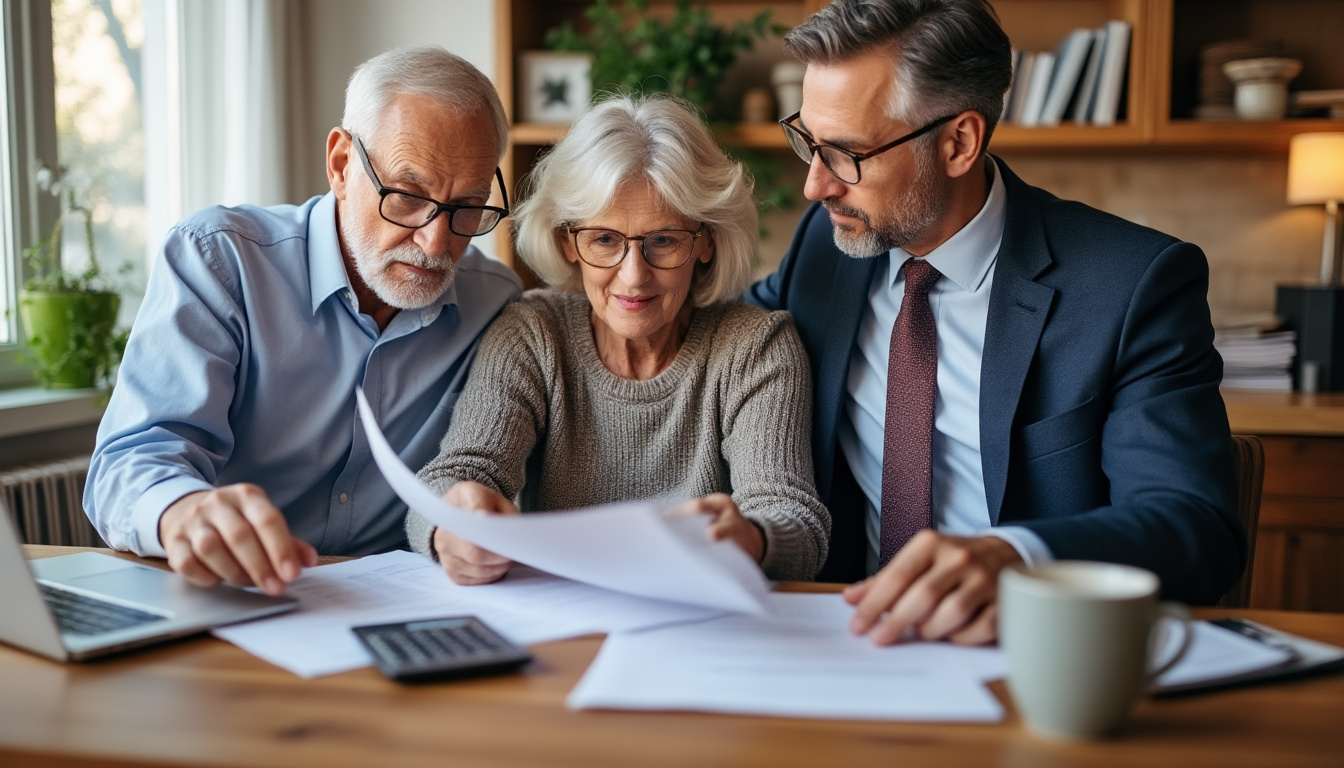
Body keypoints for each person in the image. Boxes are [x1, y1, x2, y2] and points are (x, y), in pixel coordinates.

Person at [745, 0, 1244, 644]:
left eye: (846, 153)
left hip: (1031, 653)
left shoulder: (1133, 285)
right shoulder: (829, 243)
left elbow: (1196, 526)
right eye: (808, 141)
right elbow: (722, 336)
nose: (815, 186)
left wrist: (1018, 558)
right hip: (837, 639)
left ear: (958, 142)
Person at [85, 46, 522, 595]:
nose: (437, 242)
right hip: (229, 600)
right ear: (341, 165)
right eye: (408, 196)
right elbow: (132, 460)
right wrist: (182, 510)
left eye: (467, 207)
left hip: (398, 609)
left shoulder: (494, 302)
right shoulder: (220, 261)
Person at [407, 95, 830, 583]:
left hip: (703, 624)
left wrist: (753, 538)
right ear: (569, 241)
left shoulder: (756, 347)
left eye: (664, 240)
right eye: (604, 239)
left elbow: (795, 519)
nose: (633, 277)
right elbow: (454, 476)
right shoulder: (532, 334)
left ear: (707, 240)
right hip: (565, 622)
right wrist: (451, 526)